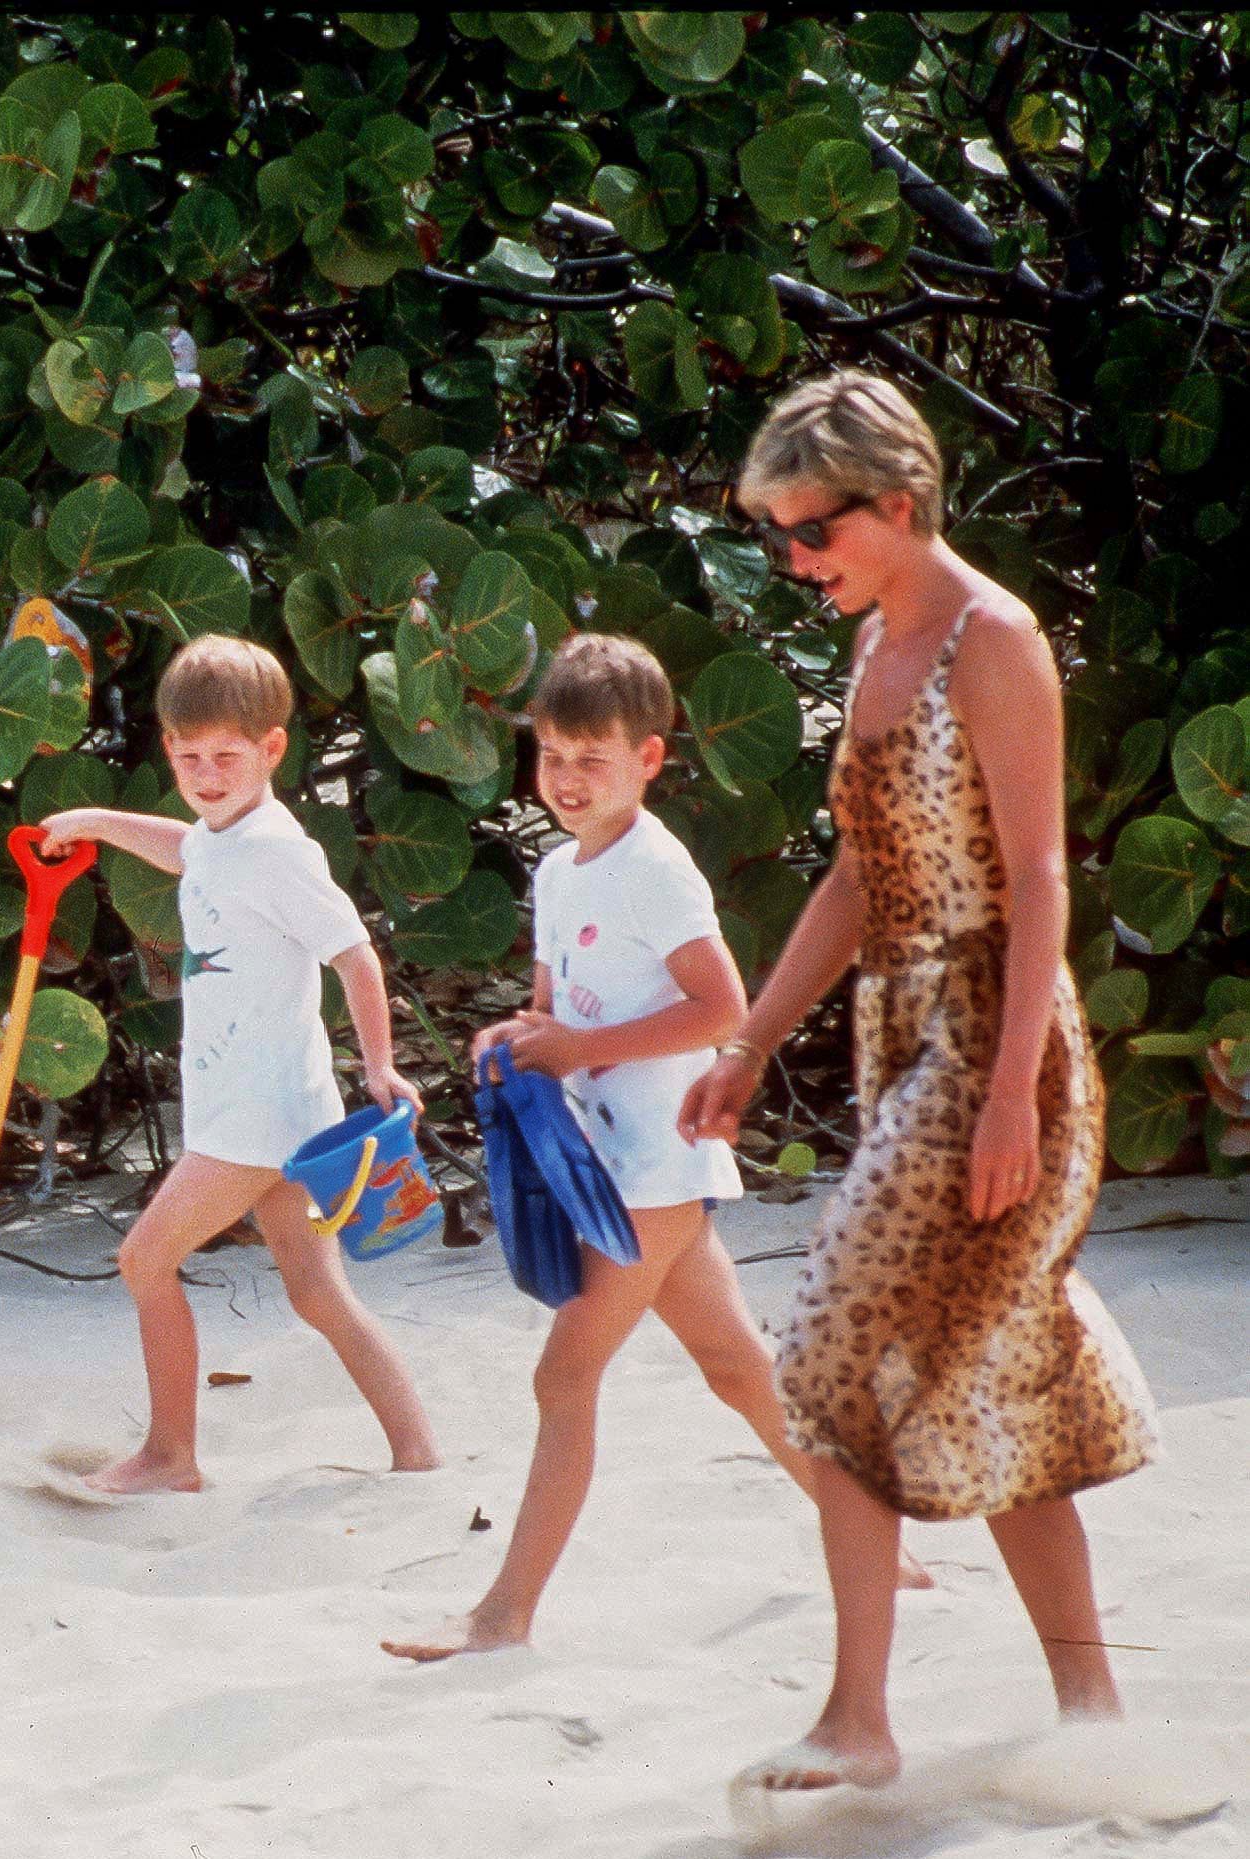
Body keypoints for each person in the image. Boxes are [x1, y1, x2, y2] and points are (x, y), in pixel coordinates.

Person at [680, 370, 1159, 1793]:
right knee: (1002, 1369)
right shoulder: (882, 634)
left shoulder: (993, 638)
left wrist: (1013, 1092)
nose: (794, 559)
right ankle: (1094, 1711)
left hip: (995, 1038)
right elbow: (856, 871)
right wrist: (753, 1039)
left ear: (897, 502)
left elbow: (1037, 877)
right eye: (775, 536)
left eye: (810, 530)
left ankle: (858, 1718)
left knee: (824, 1357)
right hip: (904, 1037)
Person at [382, 634, 923, 1665]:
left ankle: (503, 1613)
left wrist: (580, 1045)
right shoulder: (552, 866)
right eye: (551, 756)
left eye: (594, 758)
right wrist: (515, 1036)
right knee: (735, 1368)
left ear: (648, 759)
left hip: (658, 1162)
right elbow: (553, 1007)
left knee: (561, 1377)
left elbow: (722, 1005)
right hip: (606, 1160)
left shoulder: (656, 868)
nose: (568, 779)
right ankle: (876, 1543)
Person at [40, 634, 440, 1494]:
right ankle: (418, 1450)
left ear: (272, 749)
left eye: (227, 756)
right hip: (269, 1105)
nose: (207, 775)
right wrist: (98, 824)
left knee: (144, 1261)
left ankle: (171, 1454)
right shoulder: (228, 833)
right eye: (188, 757)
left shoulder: (281, 852)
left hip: (258, 1114)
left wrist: (379, 1065)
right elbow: (189, 848)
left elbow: (355, 954)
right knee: (315, 1292)